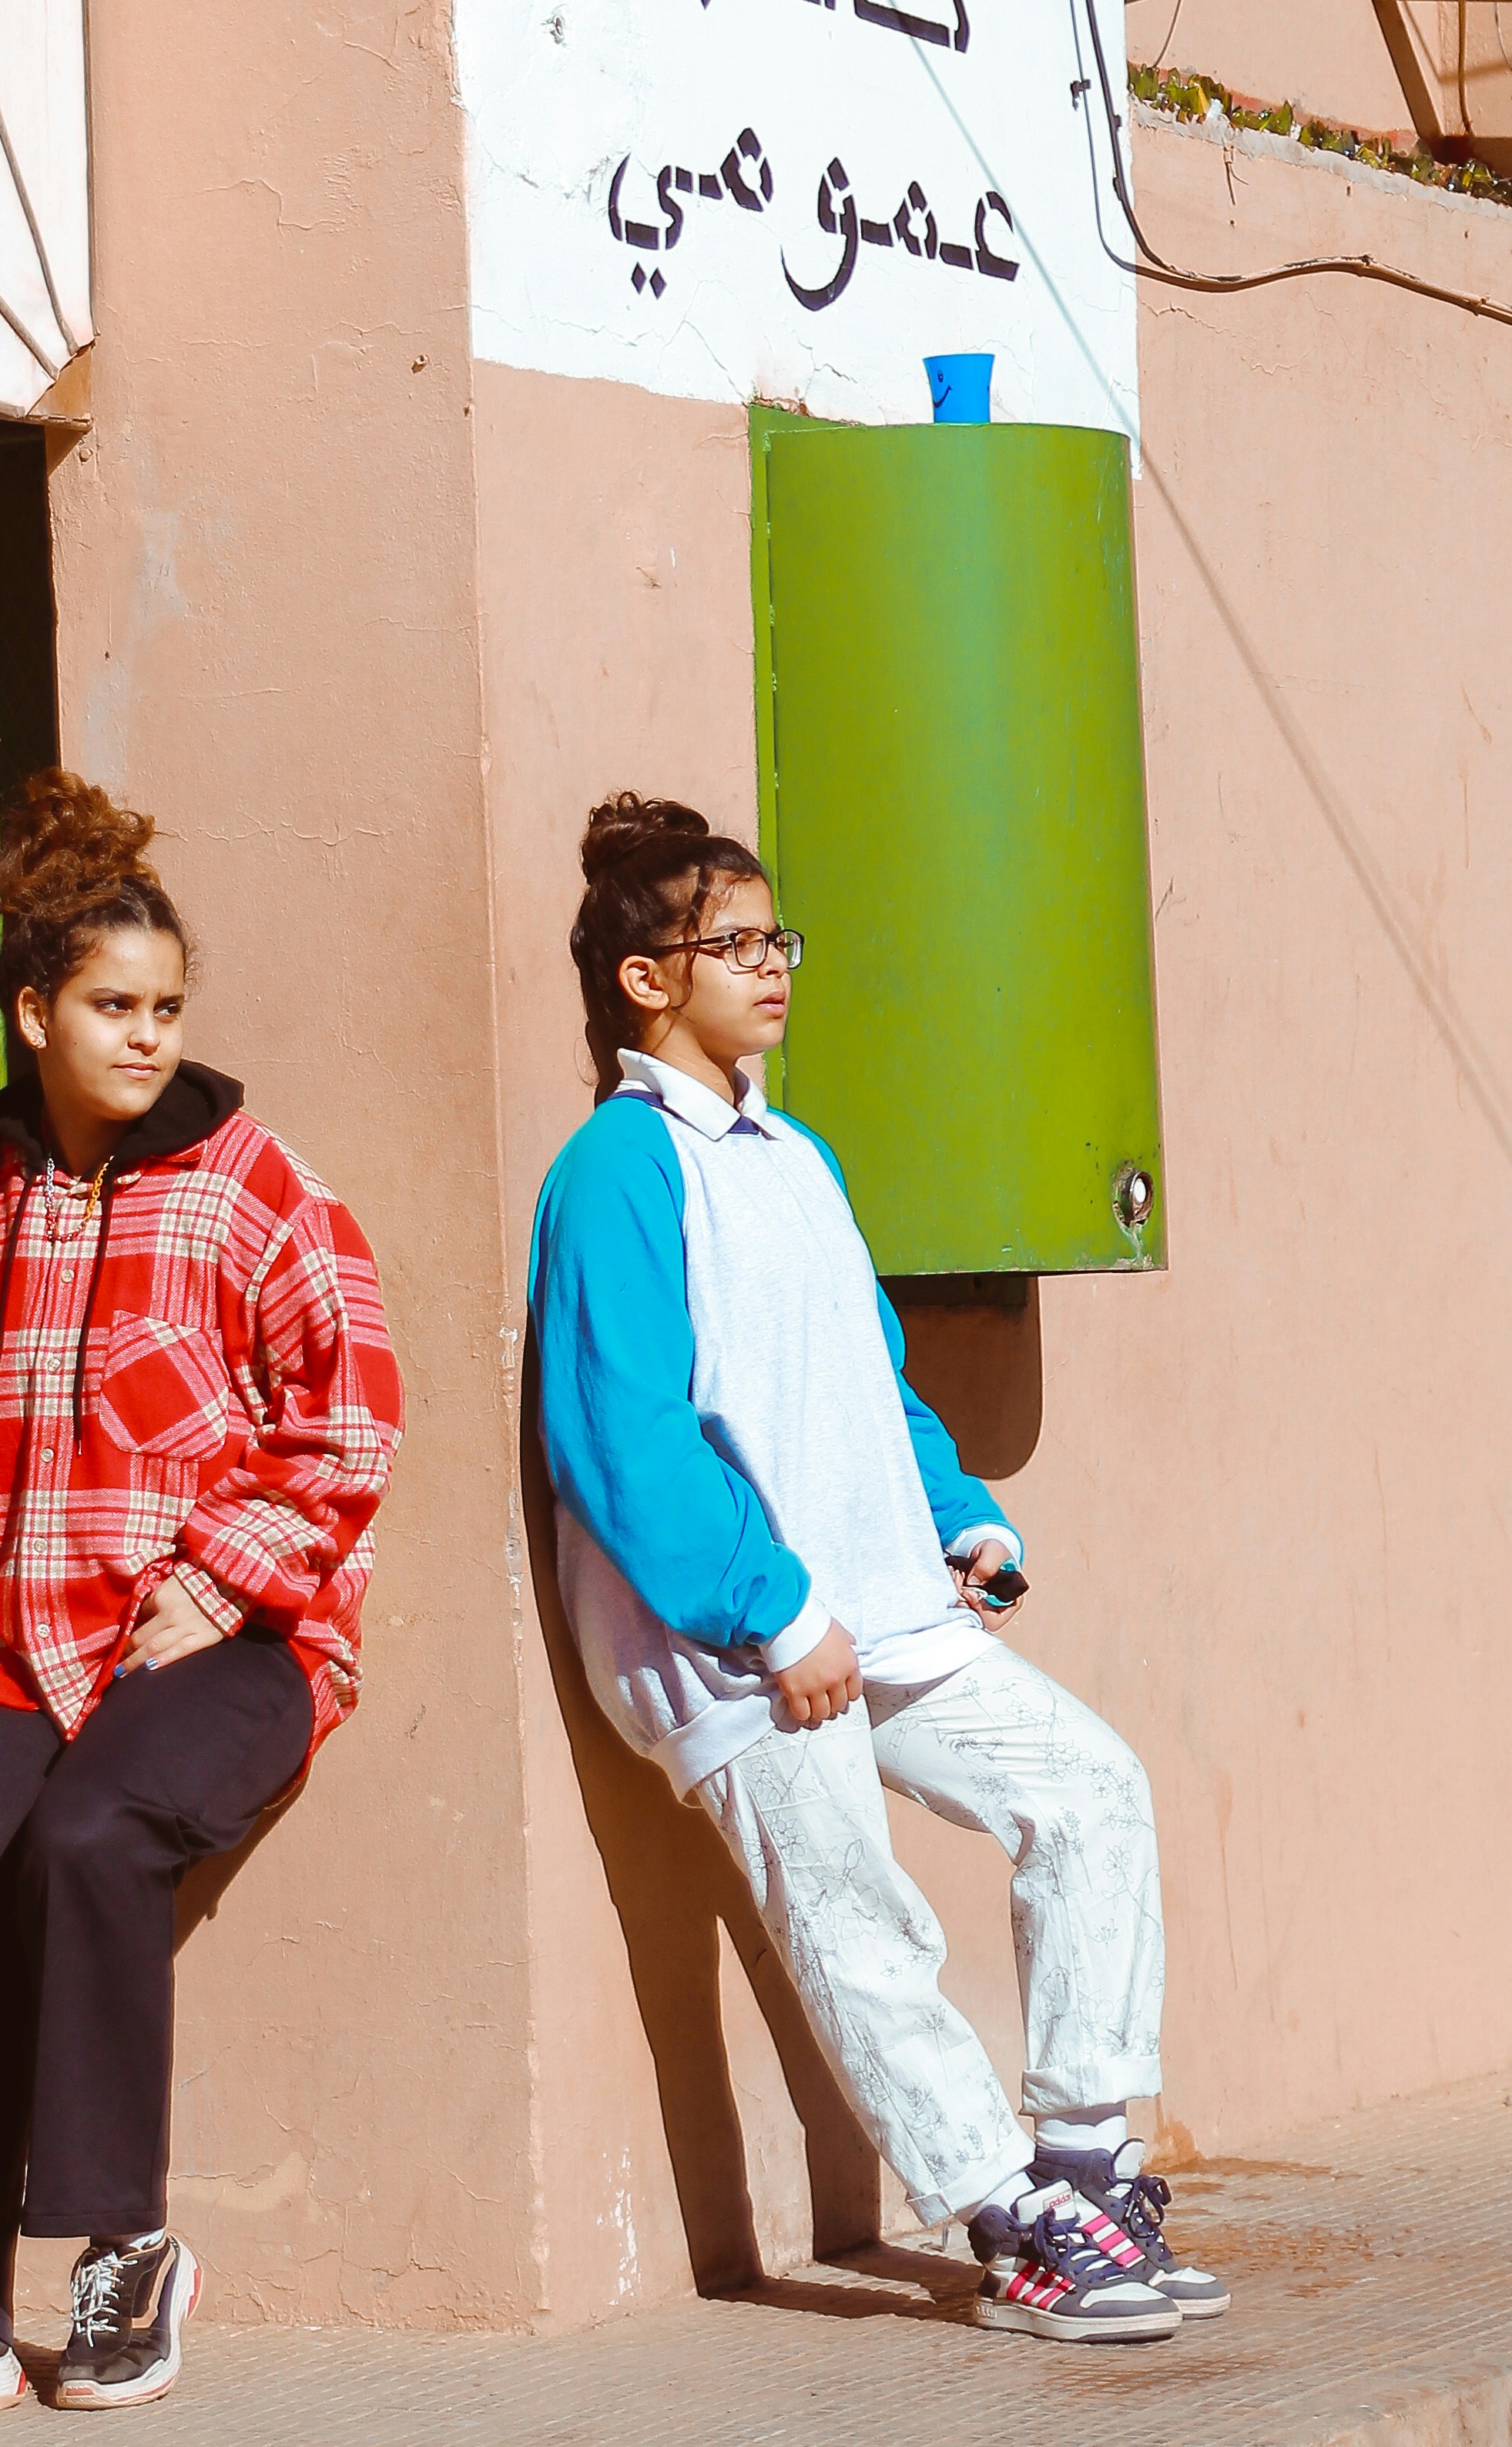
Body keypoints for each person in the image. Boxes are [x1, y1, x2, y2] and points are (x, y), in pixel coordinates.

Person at [527, 793, 1225, 2347]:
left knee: (1090, 1789)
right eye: (739, 942)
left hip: (885, 1607)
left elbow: (869, 1387)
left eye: (779, 937)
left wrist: (960, 1516)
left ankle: (1087, 2161)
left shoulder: (795, 1154)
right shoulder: (619, 1173)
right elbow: (624, 1437)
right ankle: (1010, 2226)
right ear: (649, 979)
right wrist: (772, 1610)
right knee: (860, 1915)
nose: (776, 966)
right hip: (727, 1644)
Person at [0, 773, 404, 2438]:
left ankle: (126, 2248)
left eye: (165, 1009)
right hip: (19, 1650)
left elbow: (353, 1413)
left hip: (243, 1646)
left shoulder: (247, 1181)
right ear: (33, 1012)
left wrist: (223, 1581)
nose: (145, 1037)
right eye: (111, 1007)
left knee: (85, 1844)